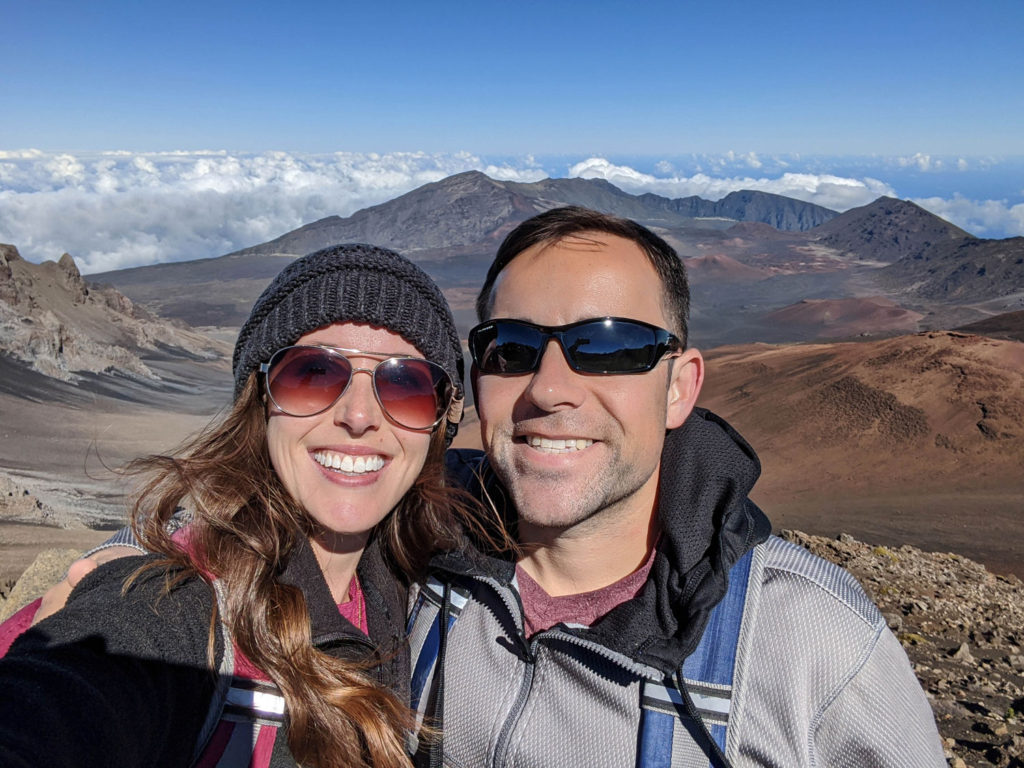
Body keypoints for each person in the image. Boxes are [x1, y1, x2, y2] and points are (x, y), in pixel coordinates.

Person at [17, 208, 947, 767]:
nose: (550, 390)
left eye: (611, 347)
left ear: (682, 384)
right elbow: (78, 695)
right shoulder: (411, 576)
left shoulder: (810, 645)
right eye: (511, 350)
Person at [0, 243, 476, 768]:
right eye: (313, 373)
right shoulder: (175, 604)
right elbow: (62, 707)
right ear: (260, 398)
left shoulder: (412, 584)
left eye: (405, 383)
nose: (359, 415)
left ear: (438, 427)